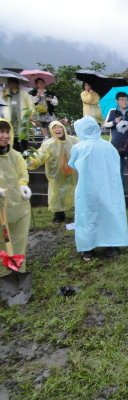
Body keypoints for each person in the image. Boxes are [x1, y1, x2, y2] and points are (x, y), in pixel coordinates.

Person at [68, 116, 128, 261]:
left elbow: (73, 165)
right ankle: (112, 245)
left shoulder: (78, 147)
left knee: (87, 215)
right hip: (108, 186)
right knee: (110, 213)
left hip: (87, 187)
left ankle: (87, 248)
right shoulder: (108, 146)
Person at [0, 119, 32, 306]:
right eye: (0, 132)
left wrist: (22, 186)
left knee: (18, 239)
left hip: (17, 206)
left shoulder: (15, 155)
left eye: (6, 132)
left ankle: (18, 270)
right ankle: (4, 274)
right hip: (1, 209)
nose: (4, 136)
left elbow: (22, 173)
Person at [27, 120, 78, 223]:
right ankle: (59, 216)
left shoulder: (73, 141)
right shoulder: (48, 144)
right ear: (51, 130)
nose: (57, 129)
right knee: (57, 194)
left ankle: (77, 214)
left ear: (63, 128)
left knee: (75, 192)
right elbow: (40, 155)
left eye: (59, 127)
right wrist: (32, 161)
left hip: (73, 173)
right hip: (56, 174)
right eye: (54, 128)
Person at [103, 91, 128, 195]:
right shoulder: (112, 111)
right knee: (117, 169)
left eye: (125, 99)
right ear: (117, 101)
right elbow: (105, 125)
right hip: (116, 145)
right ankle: (119, 191)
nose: (124, 101)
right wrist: (114, 122)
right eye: (121, 99)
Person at [2, 78, 35, 152]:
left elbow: (30, 105)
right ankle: (12, 151)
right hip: (9, 119)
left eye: (12, 83)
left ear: (17, 84)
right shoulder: (5, 93)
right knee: (11, 135)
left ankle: (24, 152)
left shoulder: (24, 93)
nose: (11, 85)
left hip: (22, 119)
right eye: (9, 83)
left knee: (23, 136)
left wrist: (30, 115)